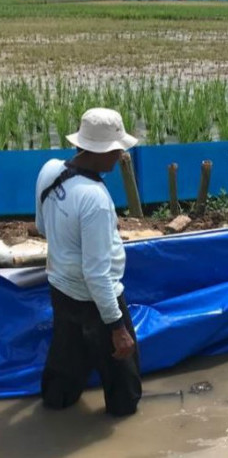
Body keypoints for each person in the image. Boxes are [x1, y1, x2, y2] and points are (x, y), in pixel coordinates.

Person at [35, 108, 141, 417]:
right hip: (96, 300)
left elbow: (42, 226)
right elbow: (97, 274)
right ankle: (123, 424)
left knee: (65, 360)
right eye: (117, 149)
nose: (121, 154)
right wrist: (117, 326)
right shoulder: (95, 198)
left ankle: (55, 409)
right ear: (102, 151)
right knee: (123, 375)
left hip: (60, 288)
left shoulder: (50, 170)